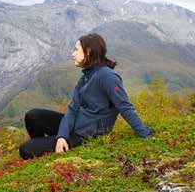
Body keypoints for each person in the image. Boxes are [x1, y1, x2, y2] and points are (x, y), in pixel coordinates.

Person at [19, 33, 153, 160]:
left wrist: (146, 134)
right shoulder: (85, 78)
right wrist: (61, 136)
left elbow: (125, 107)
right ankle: (51, 145)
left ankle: (44, 148)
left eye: (76, 50)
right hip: (75, 126)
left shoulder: (107, 77)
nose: (73, 54)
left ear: (88, 52)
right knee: (33, 116)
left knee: (25, 150)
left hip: (86, 136)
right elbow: (72, 110)